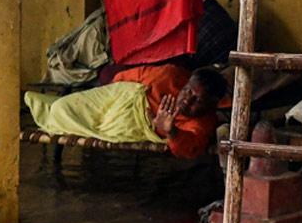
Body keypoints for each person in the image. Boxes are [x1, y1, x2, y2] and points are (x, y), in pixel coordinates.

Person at [25, 64, 227, 159]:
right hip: (119, 97)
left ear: (211, 104)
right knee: (63, 107)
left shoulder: (202, 123)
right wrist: (115, 94)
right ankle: (48, 104)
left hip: (129, 121)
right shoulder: (171, 75)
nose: (186, 100)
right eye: (187, 91)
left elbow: (189, 149)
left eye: (197, 100)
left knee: (60, 112)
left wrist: (170, 130)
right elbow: (130, 76)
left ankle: (48, 107)